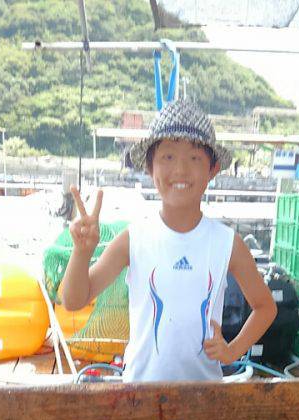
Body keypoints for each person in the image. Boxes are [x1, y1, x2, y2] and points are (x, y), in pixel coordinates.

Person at [62, 99, 277, 382]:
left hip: (204, 397)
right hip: (140, 397)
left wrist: (233, 350)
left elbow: (266, 307)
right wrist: (81, 252)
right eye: (168, 157)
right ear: (151, 168)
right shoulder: (134, 238)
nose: (180, 170)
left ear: (212, 170)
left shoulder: (227, 243)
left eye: (194, 158)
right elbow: (73, 300)